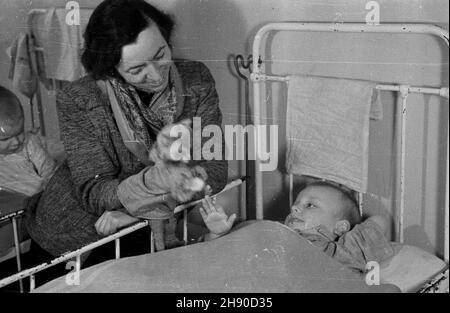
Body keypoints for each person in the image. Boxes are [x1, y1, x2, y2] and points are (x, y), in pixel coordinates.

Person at [24, 0, 227, 261]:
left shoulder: (196, 80)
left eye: (160, 54)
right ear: (111, 68)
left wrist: (139, 211)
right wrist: (158, 183)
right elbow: (94, 192)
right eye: (136, 69)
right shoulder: (79, 99)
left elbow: (216, 171)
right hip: (76, 231)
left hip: (141, 224)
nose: (155, 75)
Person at [199, 181, 395, 274]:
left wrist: (349, 233)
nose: (294, 207)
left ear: (341, 227)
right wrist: (219, 234)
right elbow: (222, 257)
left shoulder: (343, 250)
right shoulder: (270, 232)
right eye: (296, 204)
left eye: (310, 205)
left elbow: (380, 222)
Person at [0, 85, 57, 197]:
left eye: (20, 132)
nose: (16, 141)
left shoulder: (29, 144)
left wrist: (49, 191)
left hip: (38, 198)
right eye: (6, 139)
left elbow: (48, 169)